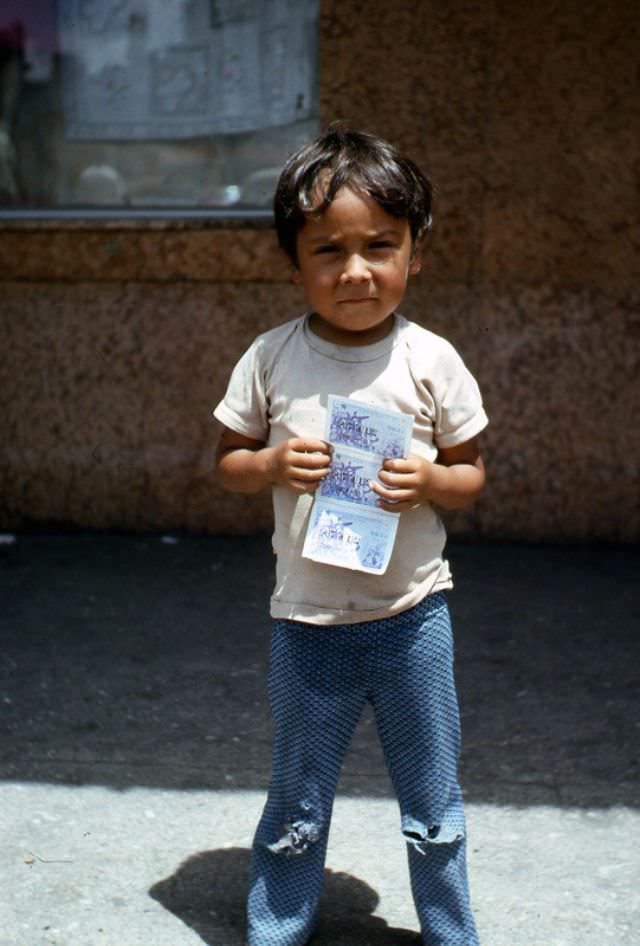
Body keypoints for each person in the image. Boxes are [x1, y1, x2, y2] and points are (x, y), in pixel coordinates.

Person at [214, 127, 488, 946]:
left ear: (415, 254)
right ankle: (279, 926)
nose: (356, 271)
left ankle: (450, 932)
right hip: (307, 627)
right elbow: (226, 462)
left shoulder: (431, 360)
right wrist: (270, 462)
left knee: (433, 798)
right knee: (297, 796)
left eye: (381, 245)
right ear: (292, 263)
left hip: (413, 619)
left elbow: (471, 473)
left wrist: (431, 481)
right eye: (328, 250)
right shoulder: (270, 358)